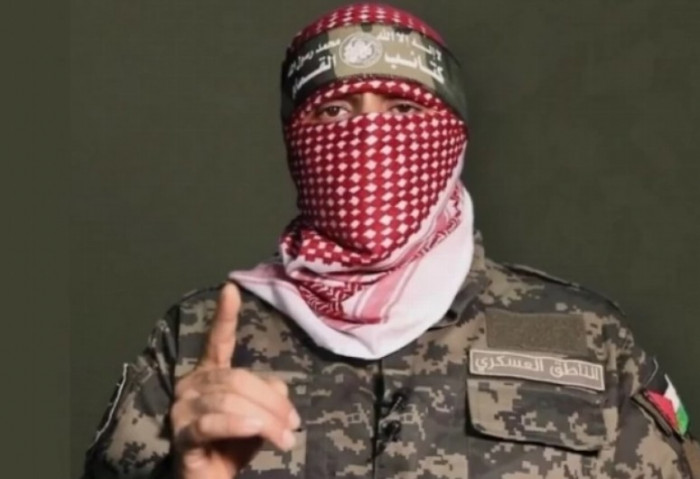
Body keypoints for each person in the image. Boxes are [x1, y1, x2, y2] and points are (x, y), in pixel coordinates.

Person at [81, 3, 700, 478]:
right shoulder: (195, 340)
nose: (370, 136)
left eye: (403, 109)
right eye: (334, 112)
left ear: (452, 134)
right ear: (296, 142)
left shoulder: (581, 335)